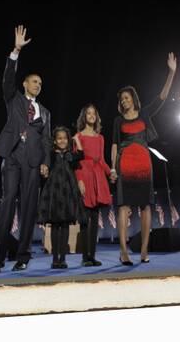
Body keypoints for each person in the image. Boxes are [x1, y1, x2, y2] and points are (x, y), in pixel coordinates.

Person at [0, 25, 51, 274]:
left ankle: (23, 256)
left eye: (41, 83)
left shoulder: (45, 113)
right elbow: (6, 80)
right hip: (12, 157)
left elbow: (47, 140)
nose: (38, 85)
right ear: (25, 83)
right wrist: (16, 50)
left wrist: (46, 161)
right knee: (6, 207)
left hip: (34, 162)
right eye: (34, 81)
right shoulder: (13, 99)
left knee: (28, 209)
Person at [111, 52, 177, 265]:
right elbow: (113, 145)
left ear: (133, 98)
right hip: (125, 165)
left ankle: (144, 250)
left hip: (143, 165)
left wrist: (171, 73)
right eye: (122, 99)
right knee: (122, 207)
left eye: (127, 97)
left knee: (146, 207)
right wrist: (113, 168)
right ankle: (123, 252)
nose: (124, 100)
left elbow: (163, 97)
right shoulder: (117, 121)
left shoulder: (144, 113)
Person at [37, 126, 85, 269]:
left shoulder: (71, 155)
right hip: (54, 192)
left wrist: (77, 141)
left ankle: (63, 258)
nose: (62, 141)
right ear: (55, 141)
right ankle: (55, 258)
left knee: (65, 225)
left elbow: (82, 155)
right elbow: (44, 167)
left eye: (65, 138)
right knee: (55, 225)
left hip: (67, 193)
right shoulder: (51, 155)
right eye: (59, 138)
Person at [74, 104, 113, 266]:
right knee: (85, 219)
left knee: (95, 218)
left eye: (94, 114)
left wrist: (110, 172)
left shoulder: (100, 137)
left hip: (98, 177)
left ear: (96, 117)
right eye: (88, 113)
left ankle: (92, 256)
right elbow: (76, 161)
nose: (91, 116)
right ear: (84, 116)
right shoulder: (78, 136)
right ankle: (85, 257)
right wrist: (79, 180)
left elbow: (102, 160)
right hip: (84, 175)